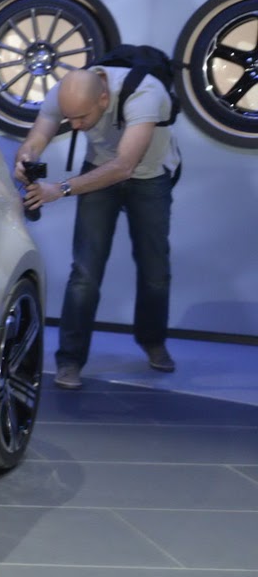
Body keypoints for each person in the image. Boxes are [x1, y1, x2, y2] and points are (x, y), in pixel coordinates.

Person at [15, 64, 178, 390]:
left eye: (81, 118)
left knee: (155, 270)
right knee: (84, 272)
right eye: (70, 118)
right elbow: (39, 135)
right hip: (98, 169)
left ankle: (153, 341)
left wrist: (60, 189)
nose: (75, 126)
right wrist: (26, 157)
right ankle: (70, 360)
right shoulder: (66, 91)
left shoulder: (145, 94)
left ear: (104, 98)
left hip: (148, 177)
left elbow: (124, 166)